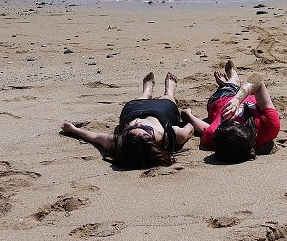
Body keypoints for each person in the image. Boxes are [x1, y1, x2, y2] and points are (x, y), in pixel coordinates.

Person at [61, 72, 194, 169]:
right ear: (153, 142)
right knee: (168, 101)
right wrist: (189, 117)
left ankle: (146, 93)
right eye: (146, 129)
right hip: (162, 112)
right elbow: (190, 126)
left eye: (130, 129)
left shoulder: (118, 141)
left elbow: (95, 137)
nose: (138, 123)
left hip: (133, 111)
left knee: (136, 102)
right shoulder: (172, 136)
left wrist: (74, 130)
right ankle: (169, 91)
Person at [183, 60, 280, 163]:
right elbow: (257, 78)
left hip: (221, 98)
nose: (233, 119)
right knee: (244, 86)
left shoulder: (220, 135)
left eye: (227, 123)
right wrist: (237, 99)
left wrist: (189, 115)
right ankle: (233, 78)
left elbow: (205, 129)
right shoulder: (269, 127)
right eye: (236, 123)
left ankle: (229, 82)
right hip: (248, 94)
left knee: (230, 86)